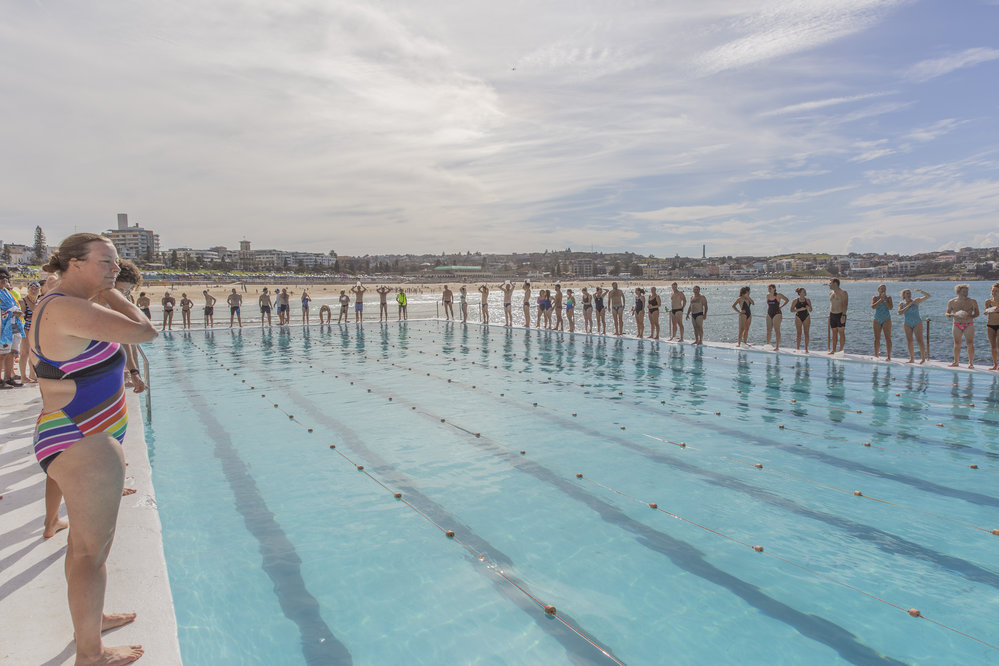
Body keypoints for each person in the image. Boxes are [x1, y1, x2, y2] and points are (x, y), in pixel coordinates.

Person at [30, 233, 157, 666]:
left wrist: (103, 290)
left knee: (85, 546)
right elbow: (145, 330)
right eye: (105, 261)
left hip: (79, 434)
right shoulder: (68, 306)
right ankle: (91, 653)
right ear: (74, 263)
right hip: (81, 438)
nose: (114, 268)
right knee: (90, 551)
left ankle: (92, 619)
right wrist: (113, 295)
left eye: (116, 263)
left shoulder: (63, 302)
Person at [0, 269, 26, 387]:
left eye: (6, 276)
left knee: (12, 352)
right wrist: (11, 312)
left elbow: (14, 305)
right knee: (2, 354)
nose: (4, 278)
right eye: (1, 277)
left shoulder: (7, 292)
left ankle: (8, 377)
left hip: (14, 325)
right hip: (3, 327)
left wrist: (16, 311)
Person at [946, 283, 979, 368]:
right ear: (958, 292)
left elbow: (977, 313)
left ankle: (971, 363)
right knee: (957, 343)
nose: (966, 293)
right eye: (964, 291)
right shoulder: (952, 302)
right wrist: (953, 315)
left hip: (968, 324)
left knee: (970, 343)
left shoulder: (972, 301)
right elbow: (947, 313)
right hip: (957, 324)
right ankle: (956, 362)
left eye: (967, 291)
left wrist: (970, 315)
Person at [18, 281, 41, 383]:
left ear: (39, 290)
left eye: (36, 289)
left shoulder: (39, 302)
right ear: (27, 289)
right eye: (31, 288)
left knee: (34, 353)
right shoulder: (23, 301)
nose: (33, 290)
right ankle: (23, 376)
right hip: (25, 329)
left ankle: (32, 373)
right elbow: (20, 318)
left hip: (35, 330)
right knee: (24, 353)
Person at [898, 288, 930, 364]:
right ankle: (912, 358)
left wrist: (921, 291)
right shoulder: (901, 304)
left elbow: (928, 296)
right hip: (907, 323)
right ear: (904, 295)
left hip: (917, 322)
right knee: (909, 341)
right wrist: (909, 305)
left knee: (920, 340)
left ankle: (923, 358)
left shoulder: (916, 301)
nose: (909, 294)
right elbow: (900, 313)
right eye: (907, 293)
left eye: (910, 293)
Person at [870, 284, 893, 361]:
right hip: (877, 319)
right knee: (877, 338)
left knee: (888, 338)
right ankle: (876, 354)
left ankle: (889, 356)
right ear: (878, 290)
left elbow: (890, 308)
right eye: (881, 289)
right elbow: (873, 307)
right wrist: (880, 300)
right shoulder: (875, 298)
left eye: (884, 289)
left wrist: (884, 300)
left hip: (886, 319)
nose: (883, 290)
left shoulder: (888, 298)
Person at [764, 284, 789, 351]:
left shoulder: (778, 295)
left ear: (774, 288)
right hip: (769, 313)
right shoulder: (767, 295)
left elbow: (787, 300)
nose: (769, 289)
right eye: (768, 288)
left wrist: (781, 306)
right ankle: (767, 345)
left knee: (776, 330)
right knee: (768, 330)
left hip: (777, 313)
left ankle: (777, 346)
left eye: (770, 288)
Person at [828, 278, 848, 354]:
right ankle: (833, 350)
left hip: (840, 314)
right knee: (833, 332)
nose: (829, 285)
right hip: (832, 314)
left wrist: (843, 315)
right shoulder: (831, 293)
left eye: (830, 283)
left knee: (841, 332)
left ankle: (840, 350)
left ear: (835, 284)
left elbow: (845, 304)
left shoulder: (843, 293)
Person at [790, 288, 812, 352]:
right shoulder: (795, 300)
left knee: (806, 333)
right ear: (800, 293)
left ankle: (806, 349)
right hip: (798, 317)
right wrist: (799, 309)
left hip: (806, 316)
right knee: (799, 333)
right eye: (803, 291)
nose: (805, 292)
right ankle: (798, 348)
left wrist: (808, 308)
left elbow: (811, 310)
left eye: (805, 291)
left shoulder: (807, 300)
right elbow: (791, 310)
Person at [984, 282, 999, 370]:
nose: (994, 292)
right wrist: (986, 312)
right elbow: (985, 312)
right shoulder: (988, 301)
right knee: (992, 346)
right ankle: (995, 364)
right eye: (993, 290)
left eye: (996, 291)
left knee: (998, 345)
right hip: (990, 324)